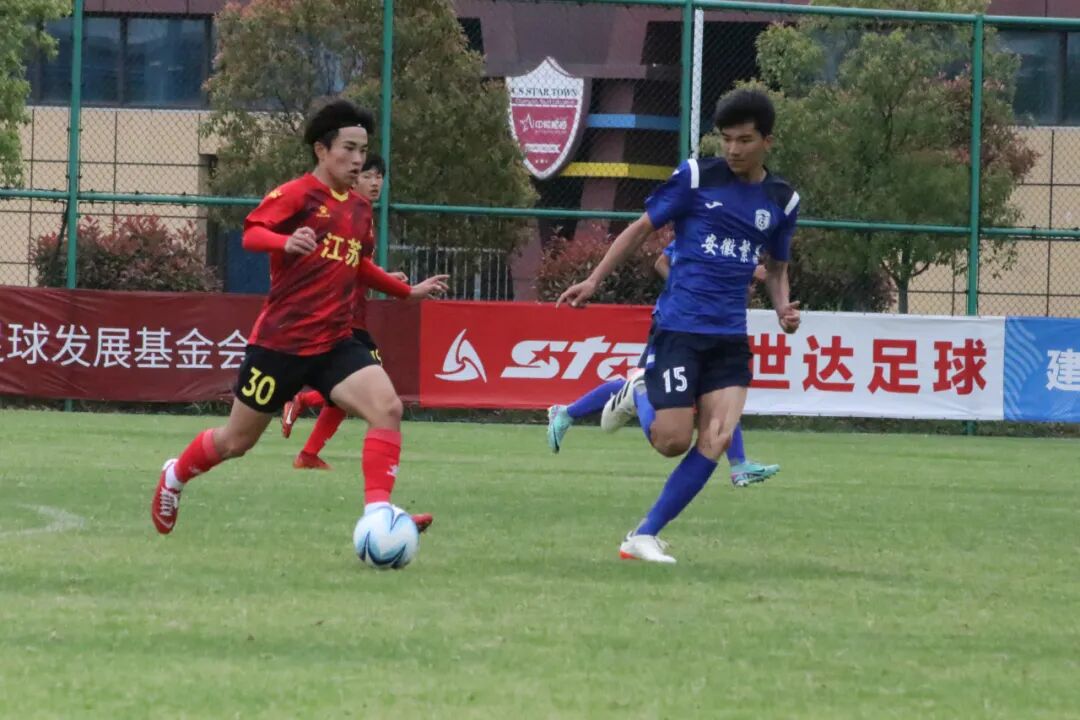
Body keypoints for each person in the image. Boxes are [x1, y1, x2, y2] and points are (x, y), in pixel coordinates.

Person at [150, 99, 443, 537]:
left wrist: (405, 291)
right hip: (281, 344)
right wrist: (283, 243)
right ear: (322, 150)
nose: (358, 160)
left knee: (387, 408)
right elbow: (252, 233)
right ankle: (175, 476)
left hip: (336, 341)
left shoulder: (359, 209)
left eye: (363, 150)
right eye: (349, 148)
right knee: (236, 441)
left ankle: (378, 517)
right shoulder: (297, 194)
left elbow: (358, 264)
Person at [557, 88, 801, 563]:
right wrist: (593, 280)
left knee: (718, 437)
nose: (732, 149)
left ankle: (643, 535)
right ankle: (638, 392)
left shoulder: (782, 200)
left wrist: (782, 310)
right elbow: (639, 229)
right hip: (680, 330)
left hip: (729, 337)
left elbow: (776, 268)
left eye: (744, 140)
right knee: (672, 442)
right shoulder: (696, 176)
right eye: (726, 139)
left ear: (767, 141)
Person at [546, 245, 780, 488]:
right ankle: (567, 413)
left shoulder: (727, 237)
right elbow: (662, 262)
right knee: (644, 384)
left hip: (699, 325)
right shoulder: (698, 231)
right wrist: (686, 292)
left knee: (716, 389)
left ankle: (739, 465)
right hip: (674, 324)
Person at [280, 154, 448, 469]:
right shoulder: (345, 213)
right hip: (342, 317)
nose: (375, 183)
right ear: (353, 179)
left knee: (353, 391)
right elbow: (345, 264)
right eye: (368, 176)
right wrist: (405, 290)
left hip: (351, 314)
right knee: (366, 387)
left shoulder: (360, 213)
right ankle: (303, 407)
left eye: (379, 177)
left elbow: (356, 265)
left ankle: (308, 452)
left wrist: (384, 276)